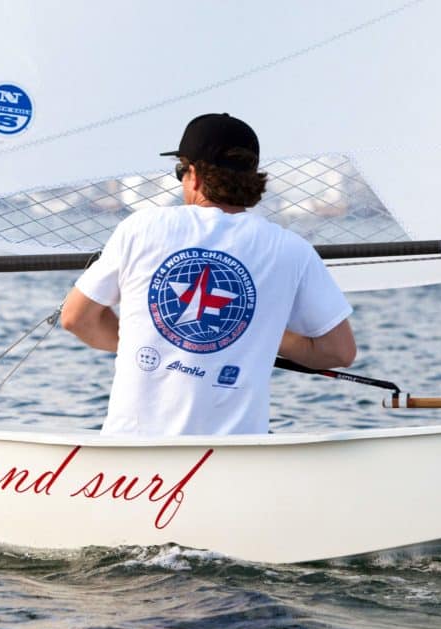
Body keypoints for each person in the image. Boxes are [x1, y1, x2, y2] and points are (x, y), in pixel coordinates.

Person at [61, 113, 356, 436]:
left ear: (196, 176)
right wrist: (262, 334)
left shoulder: (141, 228)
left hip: (132, 457)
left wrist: (159, 345)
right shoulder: (292, 250)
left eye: (180, 172)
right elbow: (338, 352)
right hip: (235, 458)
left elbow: (76, 319)